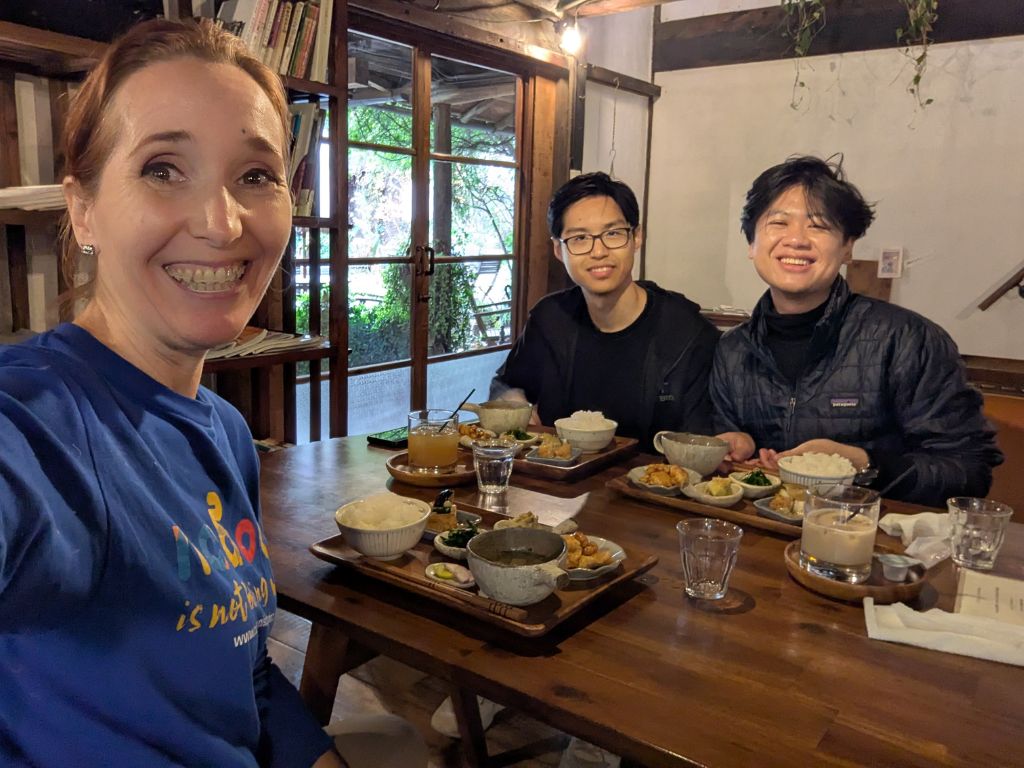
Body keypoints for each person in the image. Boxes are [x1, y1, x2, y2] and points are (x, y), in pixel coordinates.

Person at [0, 19, 425, 768]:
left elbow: (243, 666)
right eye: (163, 168)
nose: (222, 224)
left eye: (255, 176)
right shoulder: (37, 420)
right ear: (84, 208)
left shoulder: (226, 430)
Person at [711, 155, 1003, 506]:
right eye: (778, 223)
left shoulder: (907, 340)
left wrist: (864, 466)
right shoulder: (733, 350)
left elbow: (969, 471)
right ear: (752, 244)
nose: (796, 239)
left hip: (870, 533)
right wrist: (734, 446)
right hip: (764, 533)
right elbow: (734, 465)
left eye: (818, 225)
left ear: (847, 247)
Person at [490, 171, 719, 447]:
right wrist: (516, 407)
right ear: (558, 250)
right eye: (579, 238)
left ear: (636, 237)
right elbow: (507, 384)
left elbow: (702, 442)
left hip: (650, 475)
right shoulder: (550, 319)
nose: (598, 252)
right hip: (559, 472)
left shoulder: (686, 332)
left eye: (612, 234)